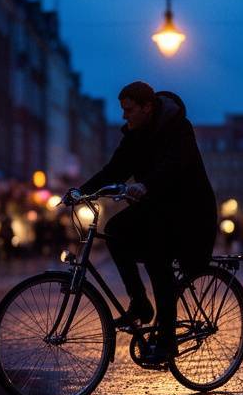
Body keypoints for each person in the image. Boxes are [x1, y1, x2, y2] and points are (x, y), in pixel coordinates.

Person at [73, 81, 217, 366]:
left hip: (190, 215)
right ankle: (139, 302)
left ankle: (165, 341)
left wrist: (146, 184)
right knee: (114, 230)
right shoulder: (134, 135)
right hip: (156, 210)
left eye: (129, 110)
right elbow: (114, 169)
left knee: (156, 257)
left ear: (147, 107)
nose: (124, 116)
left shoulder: (179, 128)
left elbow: (175, 165)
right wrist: (80, 191)